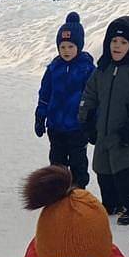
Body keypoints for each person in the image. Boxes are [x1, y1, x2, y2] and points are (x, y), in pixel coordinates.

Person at [78, 15, 129, 224]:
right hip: (103, 130)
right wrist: (86, 119)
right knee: (102, 167)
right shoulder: (102, 69)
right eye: (114, 41)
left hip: (124, 132)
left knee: (124, 169)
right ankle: (111, 203)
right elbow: (89, 94)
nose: (117, 46)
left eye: (123, 42)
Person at [34, 12, 94, 188]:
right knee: (56, 163)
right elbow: (45, 94)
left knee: (78, 163)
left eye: (71, 46)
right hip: (55, 127)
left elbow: (93, 97)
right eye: (63, 47)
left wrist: (92, 122)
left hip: (77, 127)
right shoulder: (54, 68)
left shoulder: (87, 69)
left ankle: (78, 191)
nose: (66, 50)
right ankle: (58, 191)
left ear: (79, 46)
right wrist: (40, 116)